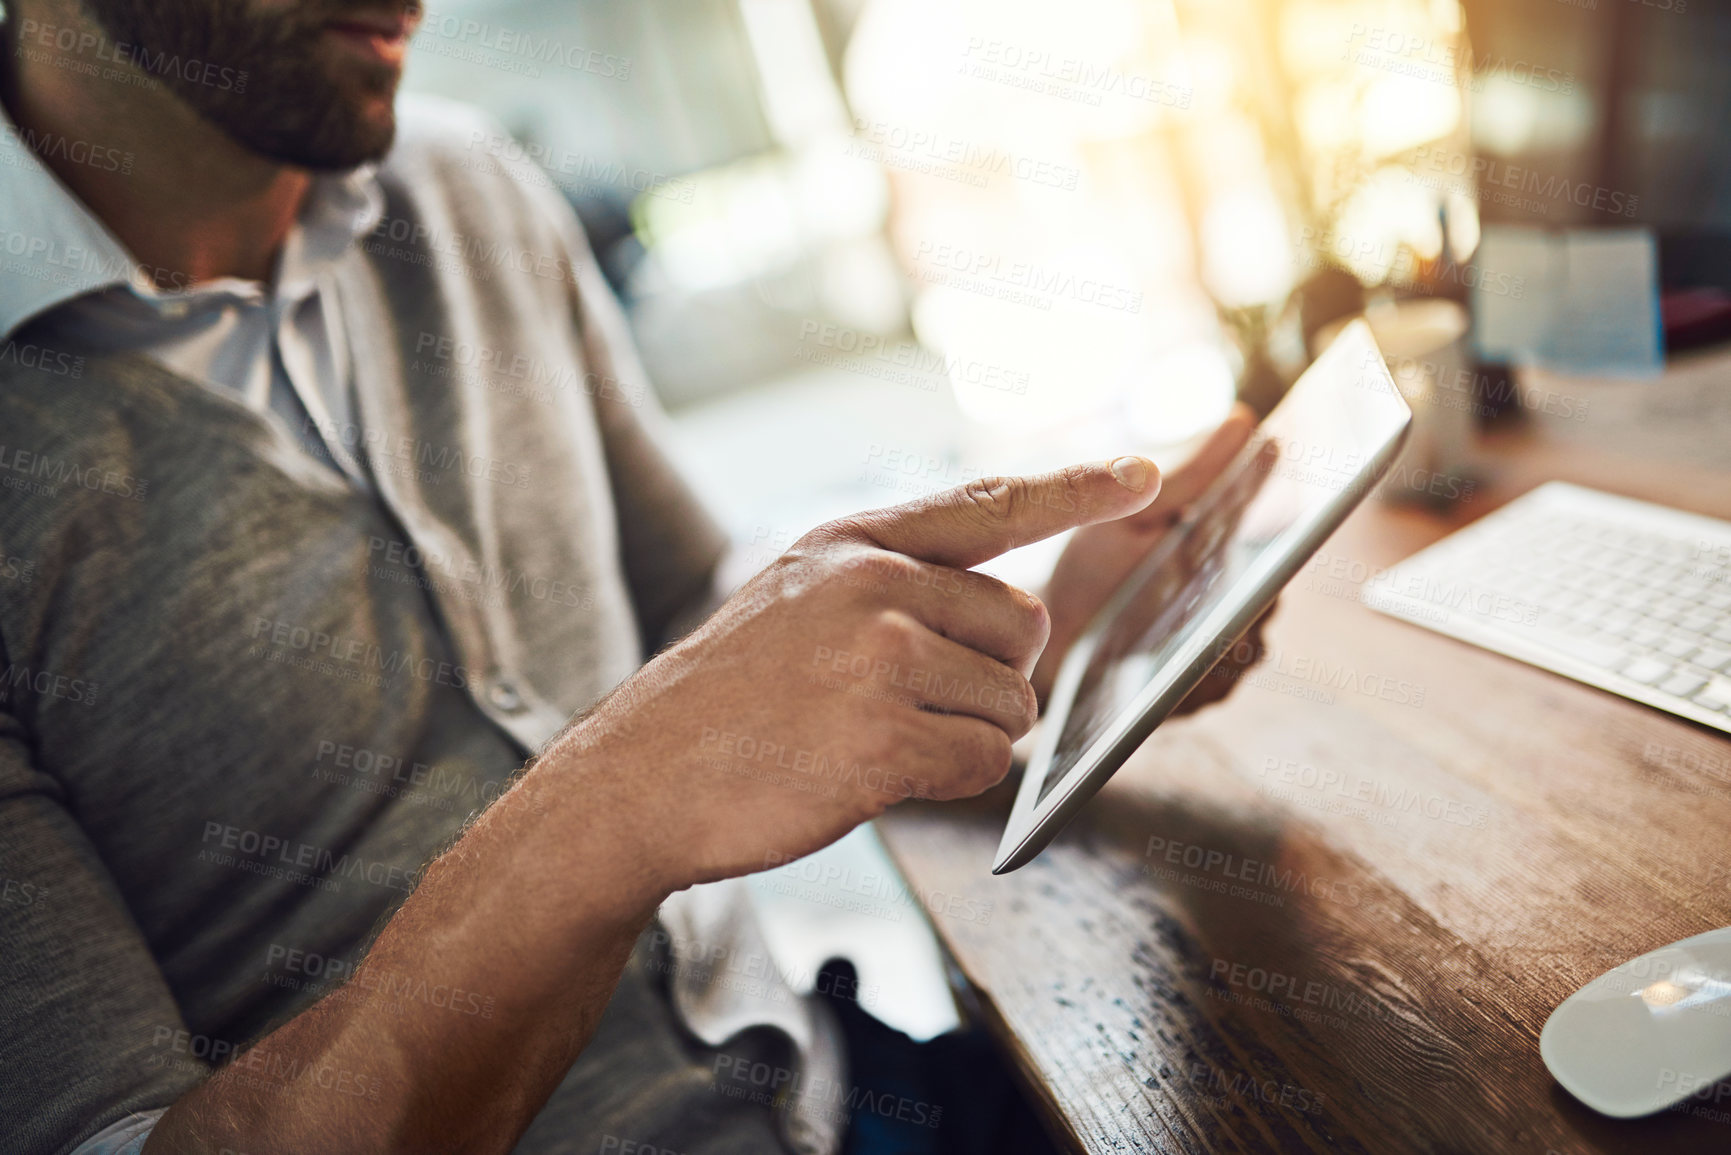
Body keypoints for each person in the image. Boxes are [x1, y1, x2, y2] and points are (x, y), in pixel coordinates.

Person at [0, 2, 1261, 1153]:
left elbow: (690, 618)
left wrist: (1037, 622)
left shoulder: (466, 185)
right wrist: (611, 808)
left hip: (832, 1104)